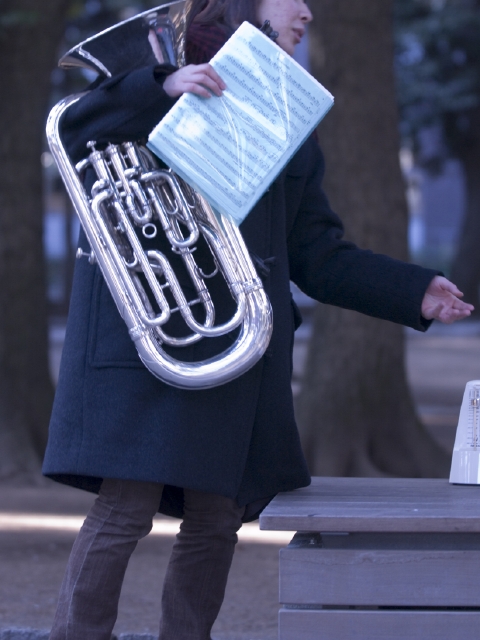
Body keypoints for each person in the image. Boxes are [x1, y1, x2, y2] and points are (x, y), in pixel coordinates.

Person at [43, 1, 474, 638]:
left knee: (217, 519)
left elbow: (318, 254)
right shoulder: (163, 78)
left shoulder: (285, 106)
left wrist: (412, 291)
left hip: (239, 345)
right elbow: (73, 127)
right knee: (124, 510)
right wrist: (161, 86)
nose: (306, 10)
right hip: (154, 338)